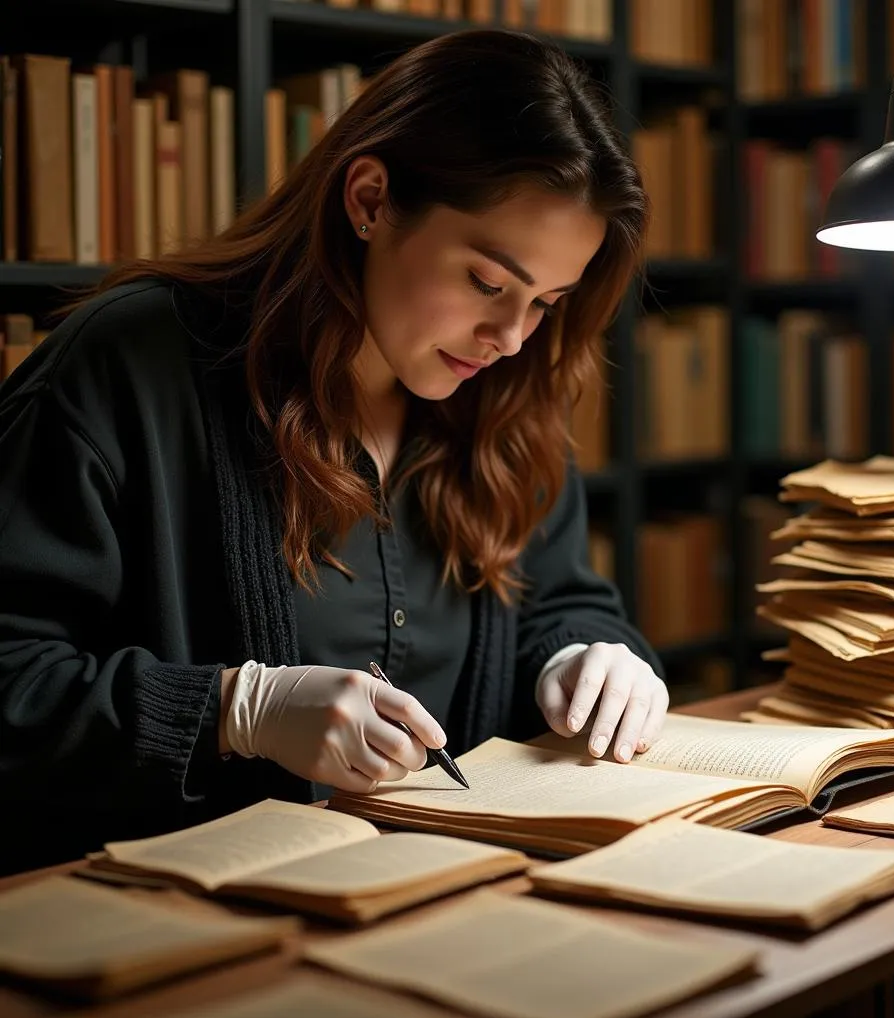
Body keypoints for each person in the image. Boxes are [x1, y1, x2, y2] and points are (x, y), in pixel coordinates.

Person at [0, 29, 668, 875]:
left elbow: (560, 598)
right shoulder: (128, 364)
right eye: (489, 283)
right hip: (175, 930)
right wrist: (233, 711)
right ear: (370, 198)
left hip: (447, 898)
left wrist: (585, 655)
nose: (511, 336)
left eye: (548, 301)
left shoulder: (506, 394)